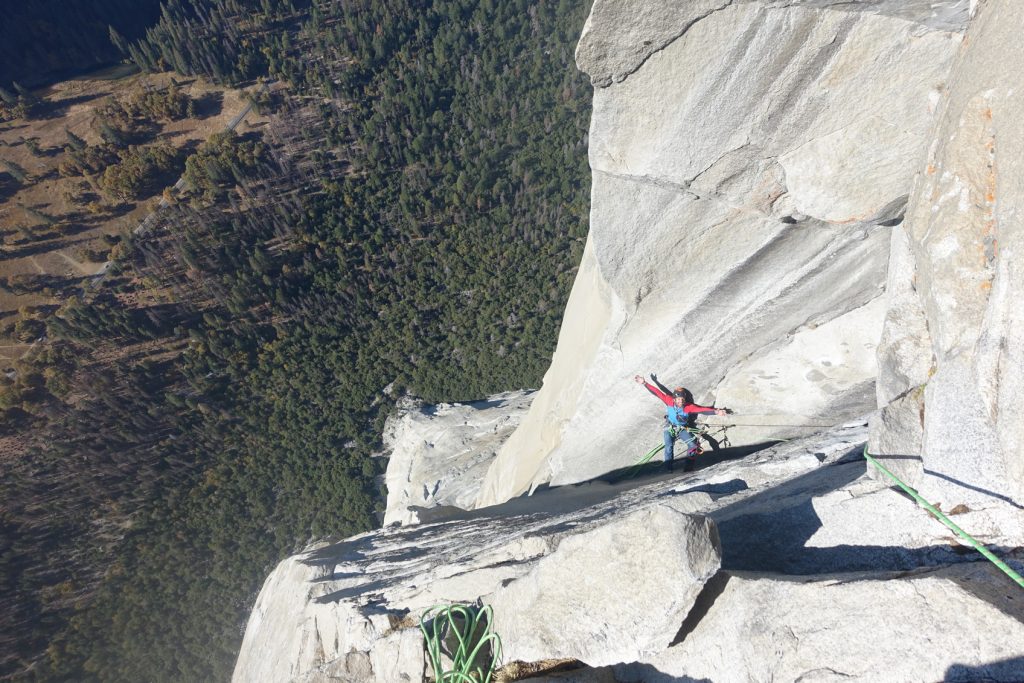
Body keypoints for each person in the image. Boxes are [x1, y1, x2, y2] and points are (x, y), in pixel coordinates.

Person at [634, 373, 728, 472]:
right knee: (669, 446)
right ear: (674, 399)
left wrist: (717, 411)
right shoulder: (669, 401)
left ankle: (688, 468)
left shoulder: (688, 407)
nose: (680, 401)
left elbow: (701, 410)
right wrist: (645, 383)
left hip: (682, 428)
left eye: (682, 399)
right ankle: (668, 469)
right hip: (670, 427)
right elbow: (658, 392)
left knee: (693, 445)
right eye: (678, 399)